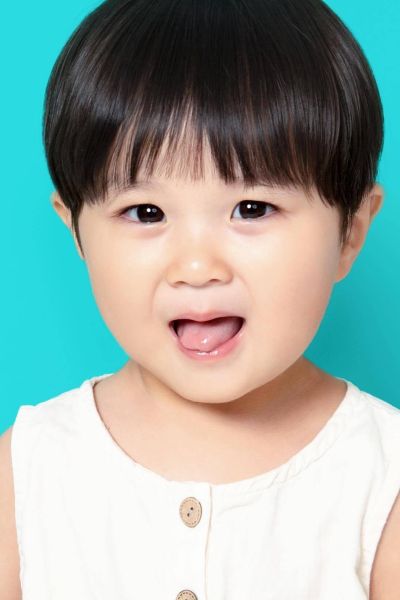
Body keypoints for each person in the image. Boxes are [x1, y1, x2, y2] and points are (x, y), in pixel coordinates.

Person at [1, 0, 399, 598]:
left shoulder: (383, 477)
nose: (196, 267)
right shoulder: (27, 473)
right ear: (76, 230)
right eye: (146, 212)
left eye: (252, 208)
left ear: (351, 232)